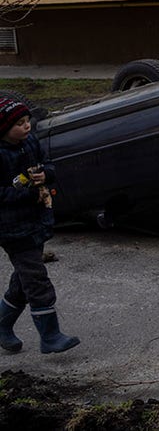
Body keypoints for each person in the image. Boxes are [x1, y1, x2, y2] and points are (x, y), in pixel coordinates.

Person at [0, 97, 80, 354]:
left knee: (24, 277)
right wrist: (25, 192)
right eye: (19, 124)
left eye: (27, 122)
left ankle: (2, 324)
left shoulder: (30, 142)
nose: (26, 127)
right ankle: (50, 336)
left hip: (37, 219)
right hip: (12, 228)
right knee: (36, 279)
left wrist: (46, 174)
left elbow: (49, 165)